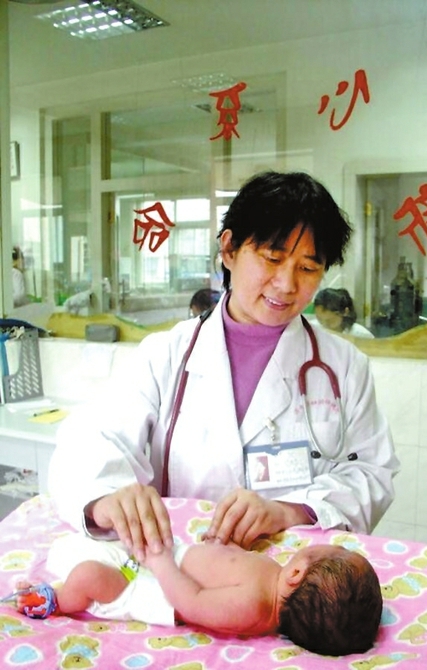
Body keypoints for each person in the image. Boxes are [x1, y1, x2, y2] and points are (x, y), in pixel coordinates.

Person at [48, 170, 399, 562]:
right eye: (273, 258)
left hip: (290, 574)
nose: (286, 284)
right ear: (229, 249)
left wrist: (291, 510)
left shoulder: (344, 367)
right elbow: (92, 440)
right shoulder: (166, 354)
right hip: (184, 567)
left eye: (307, 268)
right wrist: (107, 498)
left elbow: (372, 472)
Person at [14, 532, 382, 656]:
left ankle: (55, 599)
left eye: (336, 549)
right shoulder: (271, 579)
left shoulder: (254, 607)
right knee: (98, 540)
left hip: (151, 589)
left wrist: (160, 562)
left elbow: (192, 602)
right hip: (161, 567)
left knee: (89, 576)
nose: (332, 542)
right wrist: (224, 548)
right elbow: (233, 568)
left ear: (297, 574)